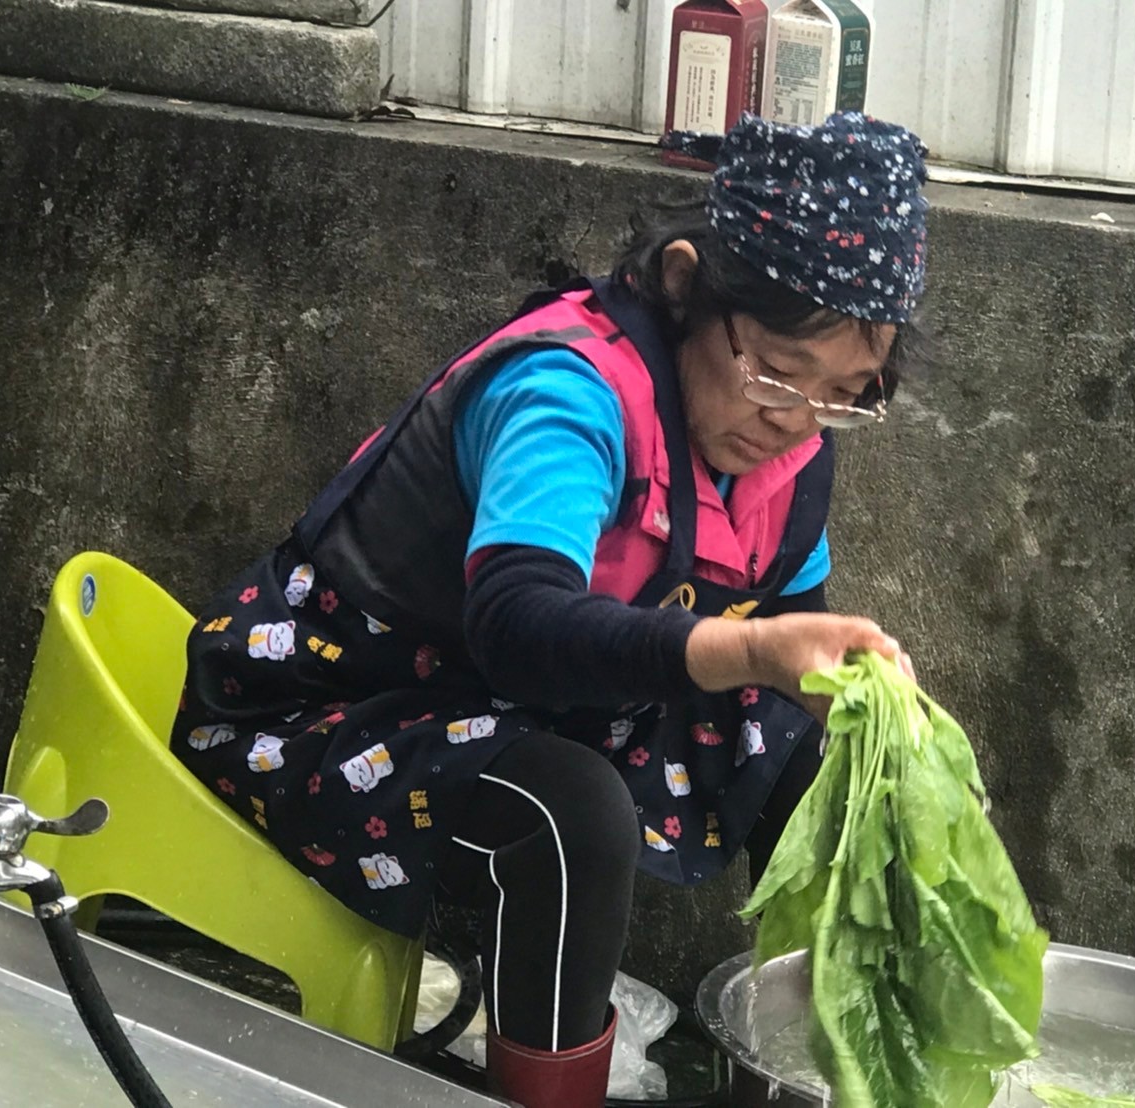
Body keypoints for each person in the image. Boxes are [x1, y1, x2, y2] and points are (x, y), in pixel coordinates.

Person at [170, 110, 930, 1108]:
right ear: (687, 284)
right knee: (569, 812)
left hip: (523, 706)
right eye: (775, 374)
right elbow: (519, 625)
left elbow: (789, 654)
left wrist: (862, 704)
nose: (793, 423)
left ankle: (822, 1079)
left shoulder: (787, 459)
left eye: (844, 395)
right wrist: (751, 650)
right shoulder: (568, 394)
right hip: (327, 710)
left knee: (816, 757)